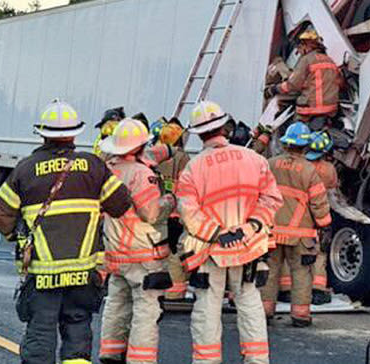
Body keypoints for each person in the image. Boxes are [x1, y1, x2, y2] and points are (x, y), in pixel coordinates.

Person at [0, 99, 132, 364]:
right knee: (78, 329)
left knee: (41, 332)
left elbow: (1, 212)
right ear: (75, 133)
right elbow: (121, 203)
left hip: (43, 272)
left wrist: (17, 237)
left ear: (43, 133)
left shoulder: (25, 168)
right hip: (83, 271)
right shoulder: (93, 165)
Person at [176, 101, 282, 364]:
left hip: (210, 250)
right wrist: (250, 227)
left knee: (208, 307)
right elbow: (271, 200)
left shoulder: (193, 168)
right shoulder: (254, 160)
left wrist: (217, 233)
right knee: (249, 303)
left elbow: (189, 213)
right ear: (226, 127)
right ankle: (257, 360)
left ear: (199, 133)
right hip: (248, 248)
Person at [98, 118, 175, 364]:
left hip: (115, 249)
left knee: (116, 301)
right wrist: (170, 201)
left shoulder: (108, 168)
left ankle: (110, 351)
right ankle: (140, 359)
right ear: (141, 146)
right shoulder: (142, 174)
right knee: (146, 308)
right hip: (142, 252)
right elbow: (150, 213)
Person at [261, 122, 331, 327]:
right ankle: (300, 315)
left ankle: (265, 311)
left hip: (272, 231)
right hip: (301, 235)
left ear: (285, 144)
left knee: (270, 271)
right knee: (301, 273)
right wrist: (325, 225)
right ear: (305, 146)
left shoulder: (270, 164)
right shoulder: (309, 170)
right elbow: (319, 202)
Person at [265, 25, 341, 123]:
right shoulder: (330, 61)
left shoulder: (307, 60)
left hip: (310, 110)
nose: (299, 51)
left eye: (300, 47)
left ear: (306, 46)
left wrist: (274, 89)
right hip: (331, 110)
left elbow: (293, 85)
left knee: (279, 103)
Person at [152, 117, 191, 302]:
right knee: (175, 253)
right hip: (175, 213)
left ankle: (158, 288)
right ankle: (174, 291)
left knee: (159, 251)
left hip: (157, 211)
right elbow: (186, 187)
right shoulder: (182, 158)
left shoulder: (154, 156)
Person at [305, 131, 338, 305]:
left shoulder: (301, 166)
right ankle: (318, 289)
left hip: (300, 216)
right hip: (321, 214)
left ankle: (287, 289)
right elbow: (334, 189)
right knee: (320, 252)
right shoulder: (329, 169)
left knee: (295, 254)